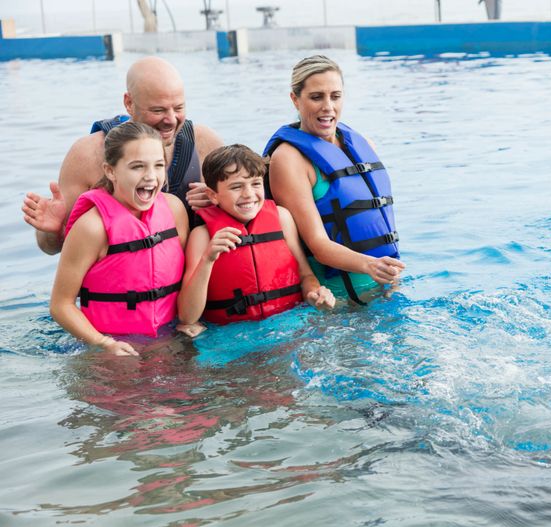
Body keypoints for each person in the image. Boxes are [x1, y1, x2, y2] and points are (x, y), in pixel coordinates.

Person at [21, 56, 222, 255]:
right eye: (158, 110)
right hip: (120, 283)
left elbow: (248, 206)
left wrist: (220, 199)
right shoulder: (88, 155)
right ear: (129, 103)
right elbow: (52, 247)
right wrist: (54, 230)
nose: (170, 120)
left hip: (193, 281)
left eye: (178, 108)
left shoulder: (204, 144)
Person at [263, 55, 405, 305]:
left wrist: (387, 272)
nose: (328, 106)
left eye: (335, 96)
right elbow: (318, 244)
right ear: (295, 99)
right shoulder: (289, 159)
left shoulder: (362, 145)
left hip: (385, 285)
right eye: (316, 97)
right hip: (335, 299)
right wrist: (371, 265)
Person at [50, 122, 189, 356]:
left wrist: (190, 320)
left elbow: (185, 279)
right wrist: (103, 343)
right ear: (110, 171)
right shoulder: (92, 227)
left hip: (169, 340)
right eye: (137, 167)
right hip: (111, 351)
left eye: (158, 165)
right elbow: (60, 305)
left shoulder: (174, 209)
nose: (151, 176)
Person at [178, 144, 335, 327]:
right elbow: (187, 317)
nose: (249, 194)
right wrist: (208, 258)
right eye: (236, 187)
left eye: (256, 184)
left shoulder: (282, 217)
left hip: (289, 323)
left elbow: (305, 275)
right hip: (231, 337)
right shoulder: (202, 237)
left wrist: (314, 293)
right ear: (213, 196)